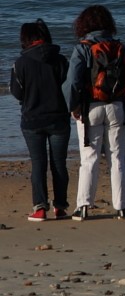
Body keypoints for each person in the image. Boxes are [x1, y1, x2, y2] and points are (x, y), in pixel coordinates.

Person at [62, 5, 125, 220]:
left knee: (90, 158)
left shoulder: (82, 48)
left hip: (90, 108)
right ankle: (122, 207)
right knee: (118, 157)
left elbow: (73, 82)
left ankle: (84, 206)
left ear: (83, 24)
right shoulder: (121, 47)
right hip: (116, 107)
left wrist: (72, 107)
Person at [10, 19, 71, 221]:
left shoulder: (21, 63)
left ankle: (40, 207)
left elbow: (17, 93)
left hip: (32, 119)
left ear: (25, 39)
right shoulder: (61, 60)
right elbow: (69, 88)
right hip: (59, 118)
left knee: (38, 164)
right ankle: (60, 206)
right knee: (59, 163)